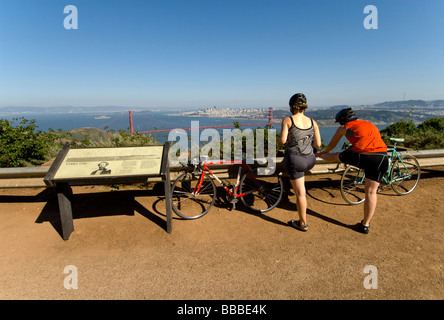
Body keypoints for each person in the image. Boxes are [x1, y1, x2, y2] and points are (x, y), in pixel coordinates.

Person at [316, 108, 388, 234]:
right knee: (371, 193)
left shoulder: (344, 127)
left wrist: (324, 152)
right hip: (382, 157)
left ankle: (319, 155)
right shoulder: (369, 124)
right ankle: (365, 224)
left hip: (364, 156)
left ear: (343, 120)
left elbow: (332, 145)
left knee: (337, 155)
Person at [278, 93, 322, 232]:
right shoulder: (313, 122)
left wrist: (278, 141)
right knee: (300, 190)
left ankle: (302, 223)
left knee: (300, 194)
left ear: (291, 107)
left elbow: (283, 141)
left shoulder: (288, 120)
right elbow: (318, 144)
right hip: (310, 160)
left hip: (296, 161)